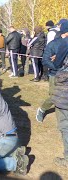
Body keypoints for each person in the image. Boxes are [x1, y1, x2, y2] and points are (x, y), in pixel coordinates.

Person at [51, 21, 68, 167]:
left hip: (66, 89)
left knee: (65, 124)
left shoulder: (65, 42)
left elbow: (57, 64)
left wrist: (56, 59)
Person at [36, 31, 62, 122]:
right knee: (54, 96)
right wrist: (55, 63)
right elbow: (45, 60)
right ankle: (42, 109)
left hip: (66, 74)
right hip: (54, 74)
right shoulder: (52, 44)